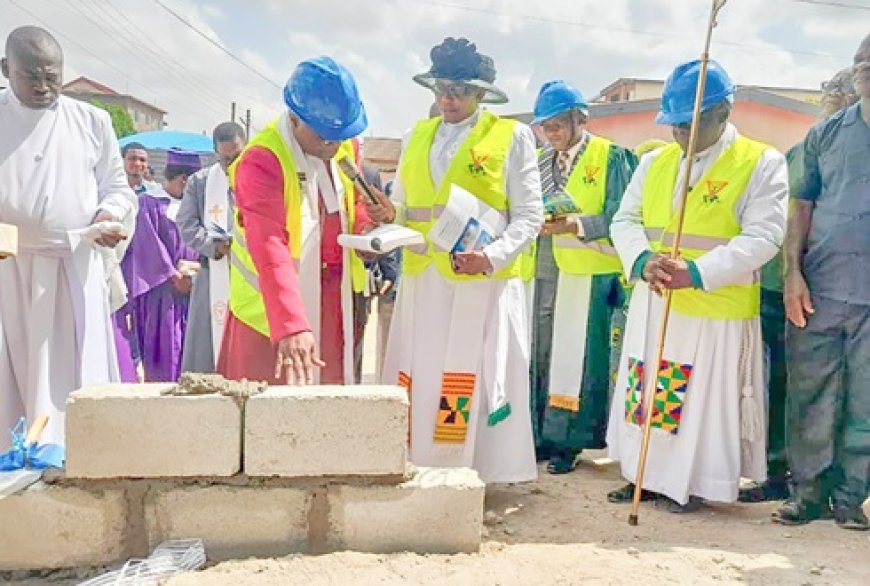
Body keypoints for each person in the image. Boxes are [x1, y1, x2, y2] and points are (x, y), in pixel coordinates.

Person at [605, 59, 788, 512]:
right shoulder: (655, 162)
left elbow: (764, 235)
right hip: (656, 301)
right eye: (675, 125)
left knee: (693, 401)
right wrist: (642, 259)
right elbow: (624, 220)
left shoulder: (761, 162)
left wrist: (700, 272)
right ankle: (642, 474)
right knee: (647, 393)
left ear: (723, 113)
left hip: (712, 305)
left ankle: (688, 483)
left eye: (690, 124)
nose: (680, 135)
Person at [377, 38, 544, 483]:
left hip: (479, 281)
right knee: (423, 369)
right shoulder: (416, 136)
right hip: (424, 276)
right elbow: (403, 206)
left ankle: (478, 471)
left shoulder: (512, 137)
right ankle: (422, 462)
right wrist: (386, 217)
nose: (448, 99)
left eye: (459, 90)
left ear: (480, 94)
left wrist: (490, 257)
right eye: (441, 89)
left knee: (472, 371)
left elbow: (529, 216)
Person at [0, 26, 136, 448]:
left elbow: (117, 186)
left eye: (52, 75)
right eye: (31, 76)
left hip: (73, 262)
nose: (44, 86)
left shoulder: (91, 121)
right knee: (13, 379)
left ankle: (73, 457)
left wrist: (108, 214)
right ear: (6, 70)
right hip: (8, 265)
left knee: (72, 377)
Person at [217, 56, 373, 386]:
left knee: (329, 414)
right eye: (324, 138)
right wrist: (291, 324)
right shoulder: (261, 160)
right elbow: (268, 245)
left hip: (333, 304)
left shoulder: (343, 142)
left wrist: (368, 228)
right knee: (270, 422)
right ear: (294, 118)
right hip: (271, 316)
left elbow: (353, 200)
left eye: (340, 136)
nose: (333, 145)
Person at [740, 68, 858, 504]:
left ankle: (826, 481)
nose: (832, 98)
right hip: (780, 287)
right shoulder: (803, 149)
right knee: (781, 385)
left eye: (838, 92)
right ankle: (778, 471)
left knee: (830, 391)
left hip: (828, 289)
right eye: (828, 91)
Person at [775, 34, 870, 531]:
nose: (867, 73)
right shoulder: (826, 135)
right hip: (822, 288)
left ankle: (853, 498)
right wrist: (792, 273)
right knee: (811, 393)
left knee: (866, 400)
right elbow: (800, 208)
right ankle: (807, 493)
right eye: (862, 65)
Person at [528, 80, 638, 473]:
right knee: (541, 352)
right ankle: (539, 435)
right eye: (545, 126)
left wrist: (574, 224)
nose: (552, 133)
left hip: (589, 273)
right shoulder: (537, 161)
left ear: (581, 119)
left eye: (559, 124)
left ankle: (568, 442)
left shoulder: (612, 158)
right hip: (541, 266)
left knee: (578, 359)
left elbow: (621, 217)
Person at [121, 149, 201, 382]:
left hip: (194, 290)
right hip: (162, 293)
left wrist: (196, 271)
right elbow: (147, 246)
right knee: (166, 351)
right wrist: (173, 275)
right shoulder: (149, 205)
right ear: (185, 179)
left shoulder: (200, 208)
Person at [177, 122, 247, 374]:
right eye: (225, 158)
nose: (231, 164)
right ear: (216, 152)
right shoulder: (201, 182)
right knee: (207, 341)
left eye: (237, 156)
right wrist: (214, 247)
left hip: (251, 272)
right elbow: (185, 224)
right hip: (214, 268)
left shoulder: (259, 177)